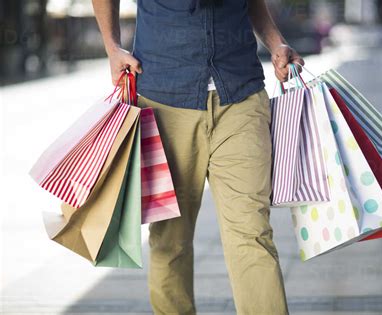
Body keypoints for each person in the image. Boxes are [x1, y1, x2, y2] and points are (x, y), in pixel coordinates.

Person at [92, 0, 304, 314]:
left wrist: (276, 43)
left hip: (240, 95)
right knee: (169, 239)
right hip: (164, 99)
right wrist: (112, 47)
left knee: (252, 234)